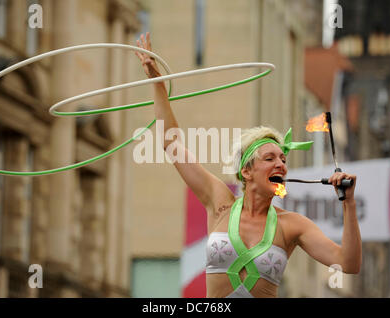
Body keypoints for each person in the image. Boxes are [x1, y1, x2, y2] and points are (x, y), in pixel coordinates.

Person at [135, 32, 362, 298]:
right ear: (246, 171)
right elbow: (170, 142)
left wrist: (349, 204)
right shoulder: (220, 202)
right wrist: (156, 79)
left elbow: (348, 263)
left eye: (283, 160)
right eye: (270, 159)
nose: (281, 165)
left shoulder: (293, 226)